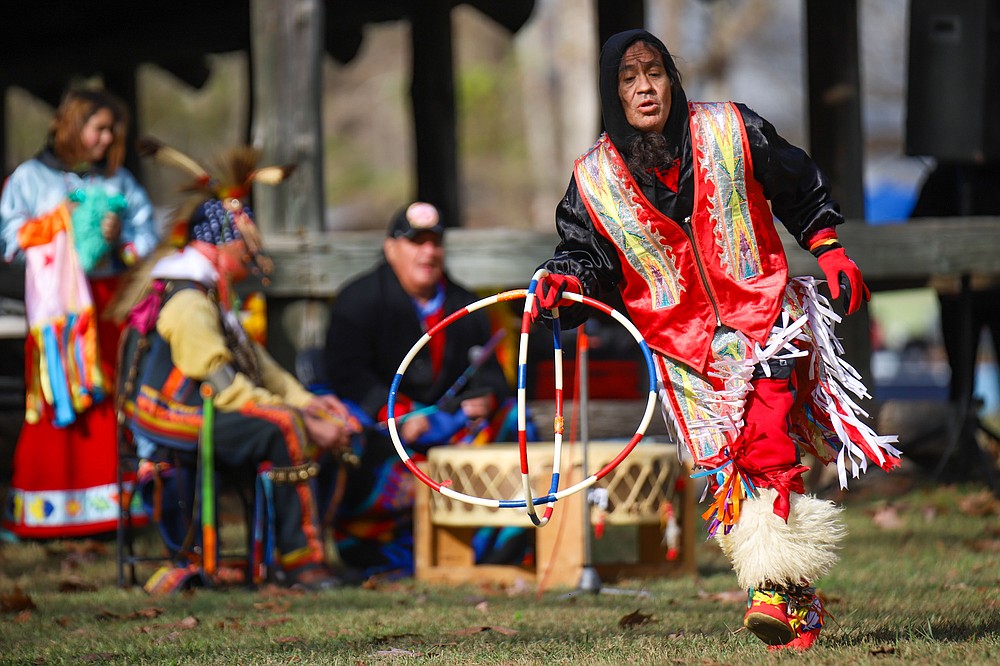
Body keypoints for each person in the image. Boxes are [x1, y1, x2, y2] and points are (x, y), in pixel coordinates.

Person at [530, 30, 901, 650]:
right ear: (611, 92)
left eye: (654, 72)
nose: (644, 87)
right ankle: (796, 600)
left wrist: (828, 247)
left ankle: (774, 593)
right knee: (729, 474)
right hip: (684, 349)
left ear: (672, 79)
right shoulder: (592, 178)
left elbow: (795, 181)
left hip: (763, 318)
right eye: (628, 78)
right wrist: (561, 281)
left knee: (768, 446)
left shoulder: (731, 128)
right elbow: (585, 257)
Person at [117, 143, 359, 590]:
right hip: (168, 415)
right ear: (220, 247)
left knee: (294, 417)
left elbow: (263, 370)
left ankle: (304, 551)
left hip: (203, 407)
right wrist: (301, 417)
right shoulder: (189, 303)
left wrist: (313, 404)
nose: (252, 255)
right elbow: (226, 387)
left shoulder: (214, 299)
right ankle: (301, 562)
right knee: (283, 426)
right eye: (244, 244)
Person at [321, 201, 520, 578]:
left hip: (454, 430)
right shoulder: (357, 301)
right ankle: (379, 550)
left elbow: (491, 373)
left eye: (436, 242)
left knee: (514, 418)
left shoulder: (466, 304)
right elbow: (347, 374)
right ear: (390, 247)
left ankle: (500, 540)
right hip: (386, 429)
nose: (428, 252)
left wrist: (485, 397)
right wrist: (395, 414)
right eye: (416, 242)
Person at [0, 88, 159, 539]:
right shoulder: (29, 179)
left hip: (106, 303)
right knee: (58, 393)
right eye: (100, 128)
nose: (108, 139)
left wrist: (120, 234)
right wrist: (57, 223)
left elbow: (145, 238)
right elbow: (8, 238)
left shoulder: (117, 181)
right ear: (73, 126)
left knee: (107, 391)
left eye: (113, 131)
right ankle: (46, 510)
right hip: (56, 309)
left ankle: (109, 509)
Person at [910, 162, 1000, 484]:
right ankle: (964, 453)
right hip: (957, 296)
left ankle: (970, 454)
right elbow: (917, 227)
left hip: (990, 288)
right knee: (960, 380)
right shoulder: (946, 176)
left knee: (961, 379)